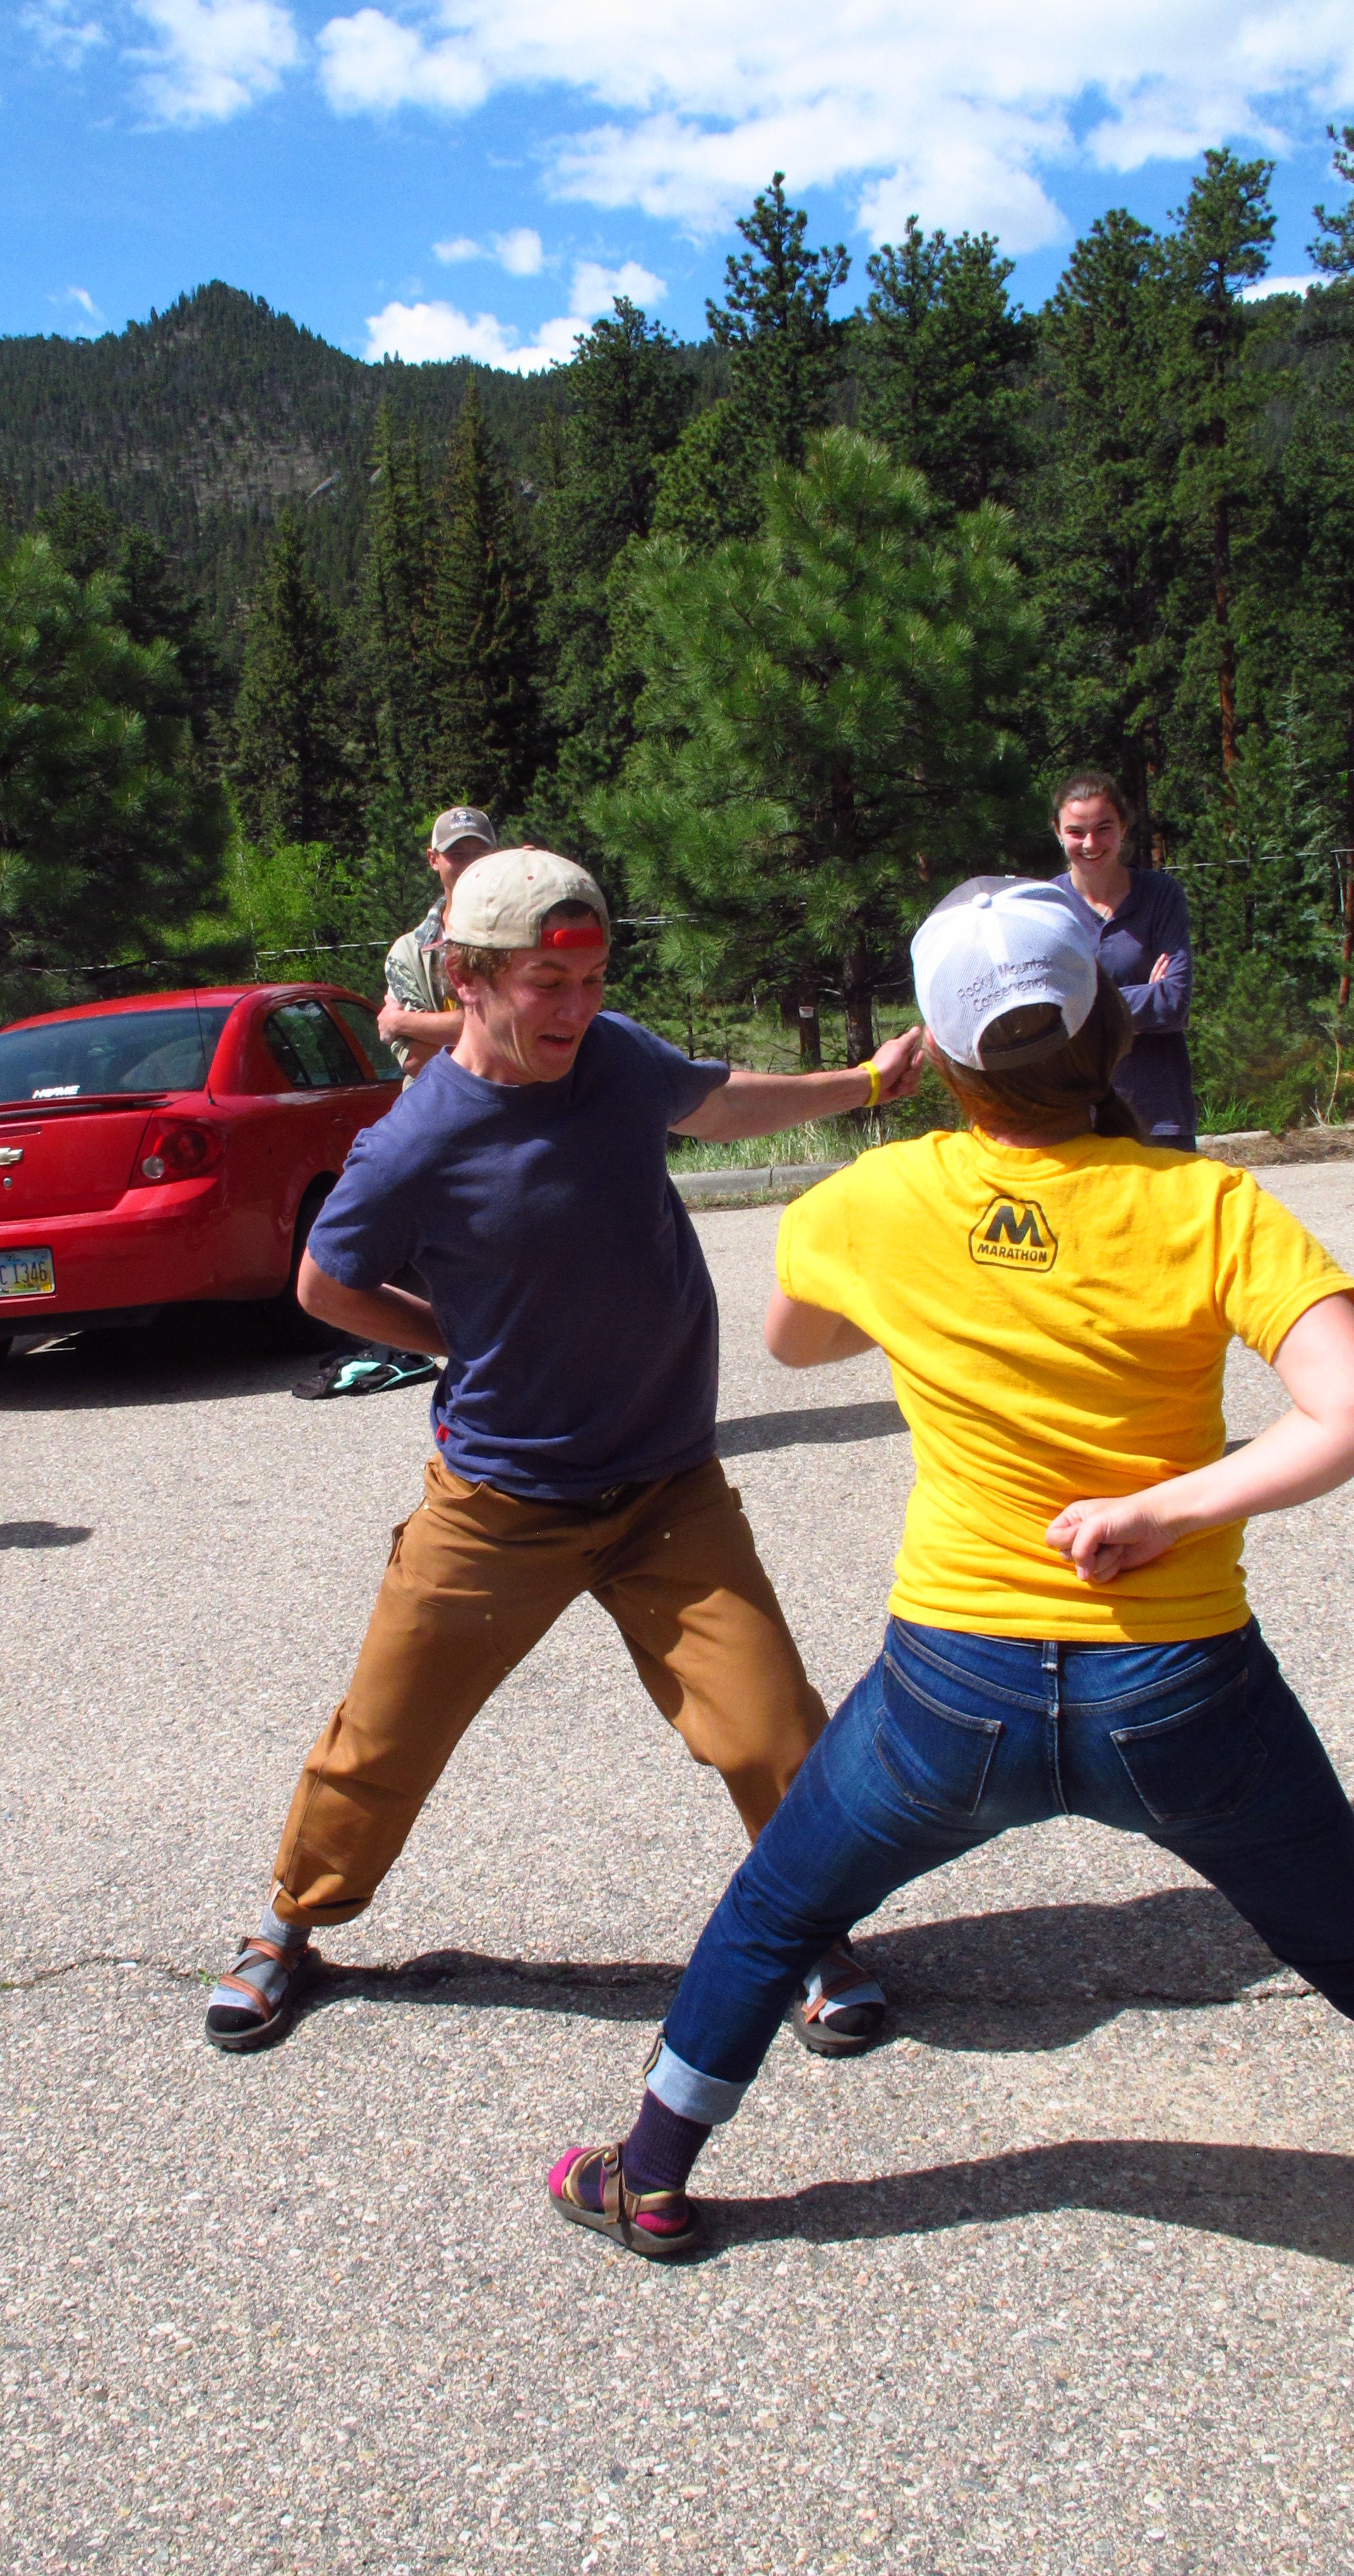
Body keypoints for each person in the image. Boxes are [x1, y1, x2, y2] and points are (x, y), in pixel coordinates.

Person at [549, 874, 1354, 2260]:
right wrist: (1167, 1509)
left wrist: (945, 1306)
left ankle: (650, 2172)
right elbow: (1340, 1413)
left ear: (946, 1058)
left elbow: (798, 1341)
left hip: (949, 1693)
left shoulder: (880, 1197)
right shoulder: (1210, 1207)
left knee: (776, 1912)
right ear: (1105, 1032)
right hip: (1179, 1690)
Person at [205, 847, 924, 2056]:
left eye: (590, 978)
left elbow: (711, 1099)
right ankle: (291, 1924)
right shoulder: (414, 1141)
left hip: (664, 1488)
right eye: (548, 982)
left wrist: (857, 1081)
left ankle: (809, 1930)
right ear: (467, 976)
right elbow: (325, 1281)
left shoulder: (615, 1056)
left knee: (769, 1731)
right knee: (382, 1737)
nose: (576, 1008)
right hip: (500, 1499)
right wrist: (442, 1337)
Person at [1052, 768, 1197, 1151]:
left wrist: (1081, 1003)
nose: (1090, 843)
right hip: (1072, 1117)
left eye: (1103, 828)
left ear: (1124, 828)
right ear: (1057, 831)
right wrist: (1143, 995)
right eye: (1076, 832)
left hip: (1159, 1114)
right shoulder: (1044, 908)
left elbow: (1174, 1003)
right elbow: (1046, 1014)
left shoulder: (1162, 896)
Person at [378, 806, 497, 1078]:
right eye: (456, 855)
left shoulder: (517, 936)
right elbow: (415, 1059)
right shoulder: (407, 952)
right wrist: (490, 1037)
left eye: (479, 855)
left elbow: (515, 1022)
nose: (468, 864)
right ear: (433, 859)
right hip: (435, 1108)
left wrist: (401, 1021)